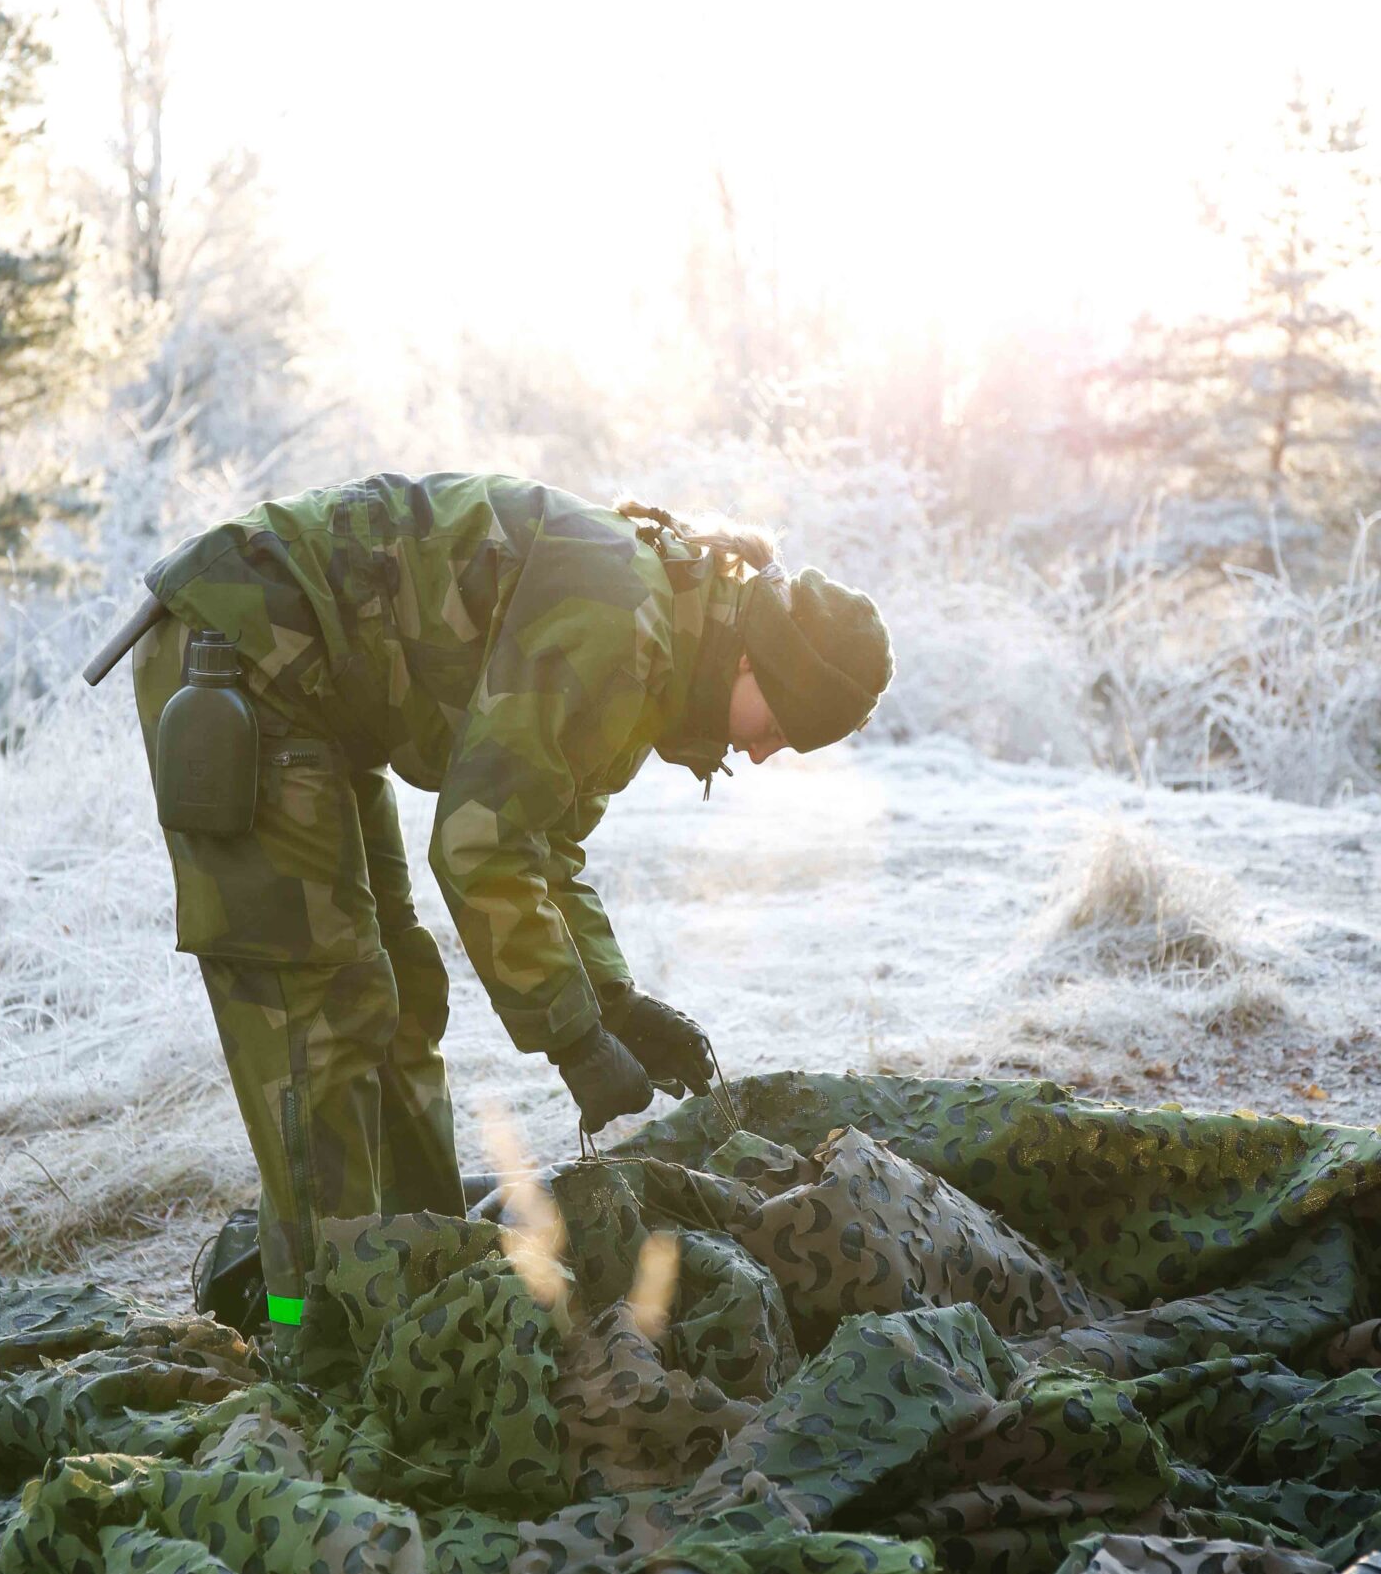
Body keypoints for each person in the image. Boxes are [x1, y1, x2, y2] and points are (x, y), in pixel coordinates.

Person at [131, 472, 893, 1337]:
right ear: (756, 661)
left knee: (404, 995)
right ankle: (315, 1335)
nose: (762, 754)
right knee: (320, 1021)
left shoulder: (662, 638)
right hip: (241, 653)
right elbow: (478, 845)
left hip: (314, 696)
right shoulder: (625, 624)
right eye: (780, 727)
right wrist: (573, 1039)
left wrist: (617, 1004)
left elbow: (542, 841)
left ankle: (417, 1280)